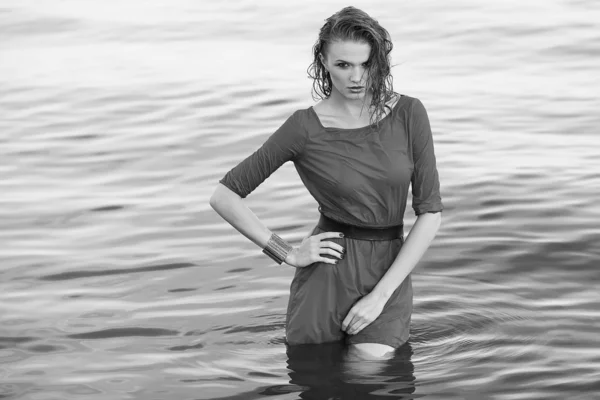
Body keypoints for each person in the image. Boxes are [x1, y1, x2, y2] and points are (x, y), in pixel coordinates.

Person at [209, 6, 443, 359]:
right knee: (315, 383)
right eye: (343, 65)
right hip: (325, 276)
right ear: (324, 61)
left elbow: (430, 213)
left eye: (367, 64)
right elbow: (225, 195)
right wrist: (286, 252)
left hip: (388, 275)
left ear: (380, 61)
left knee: (370, 374)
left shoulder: (410, 114)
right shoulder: (304, 127)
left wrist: (380, 295)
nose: (357, 77)